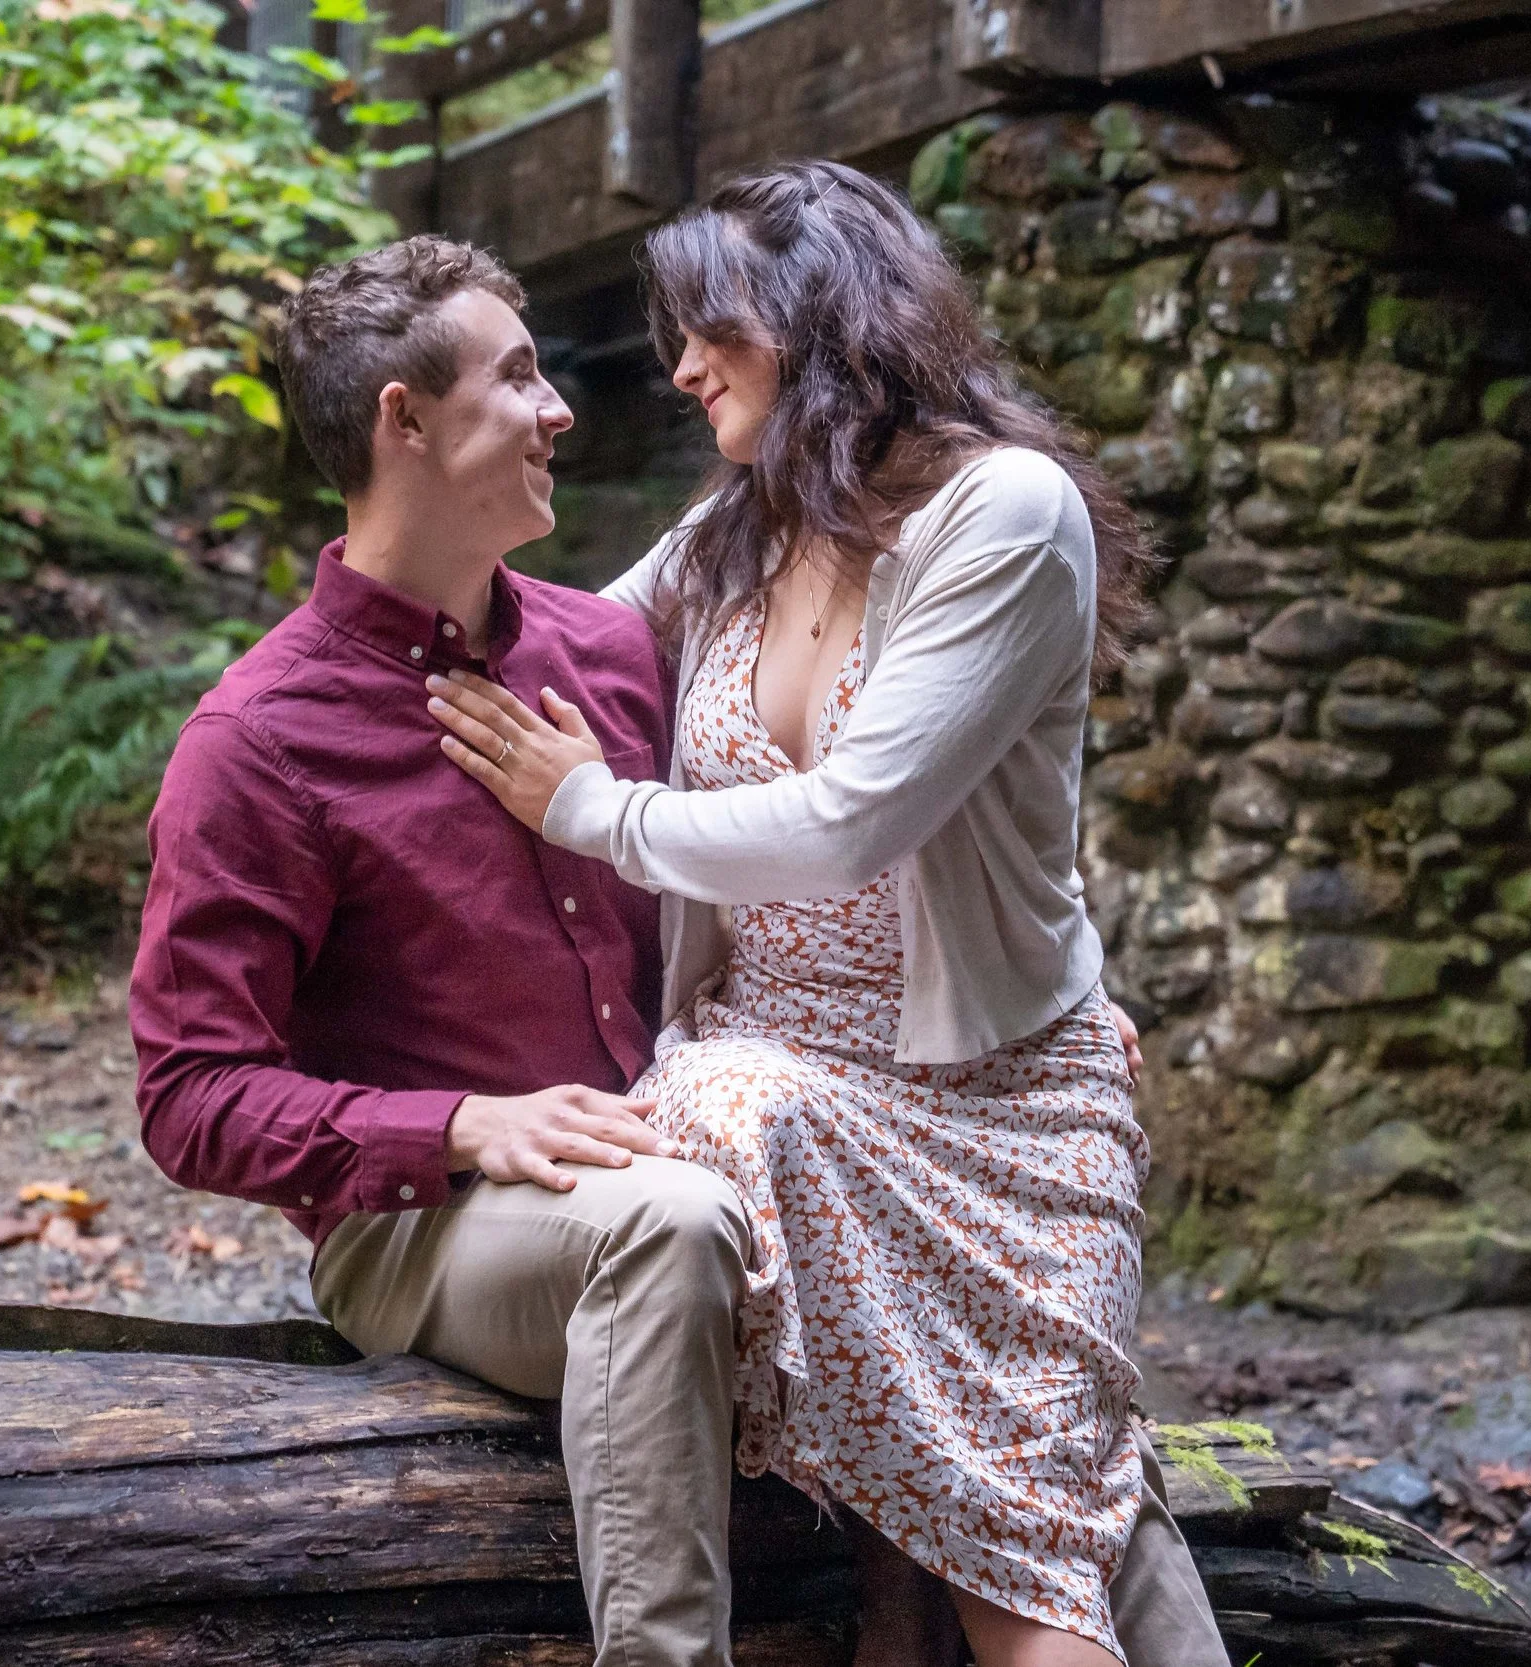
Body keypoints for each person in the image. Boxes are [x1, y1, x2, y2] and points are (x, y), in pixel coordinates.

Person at [132, 231, 1220, 1667]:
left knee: (1018, 1386)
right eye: (520, 376)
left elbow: (887, 802)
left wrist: (1050, 982)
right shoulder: (260, 741)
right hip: (437, 1221)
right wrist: (463, 1120)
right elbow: (187, 1096)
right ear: (403, 421)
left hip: (715, 1139)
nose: (566, 406)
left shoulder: (610, 647)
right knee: (675, 1219)